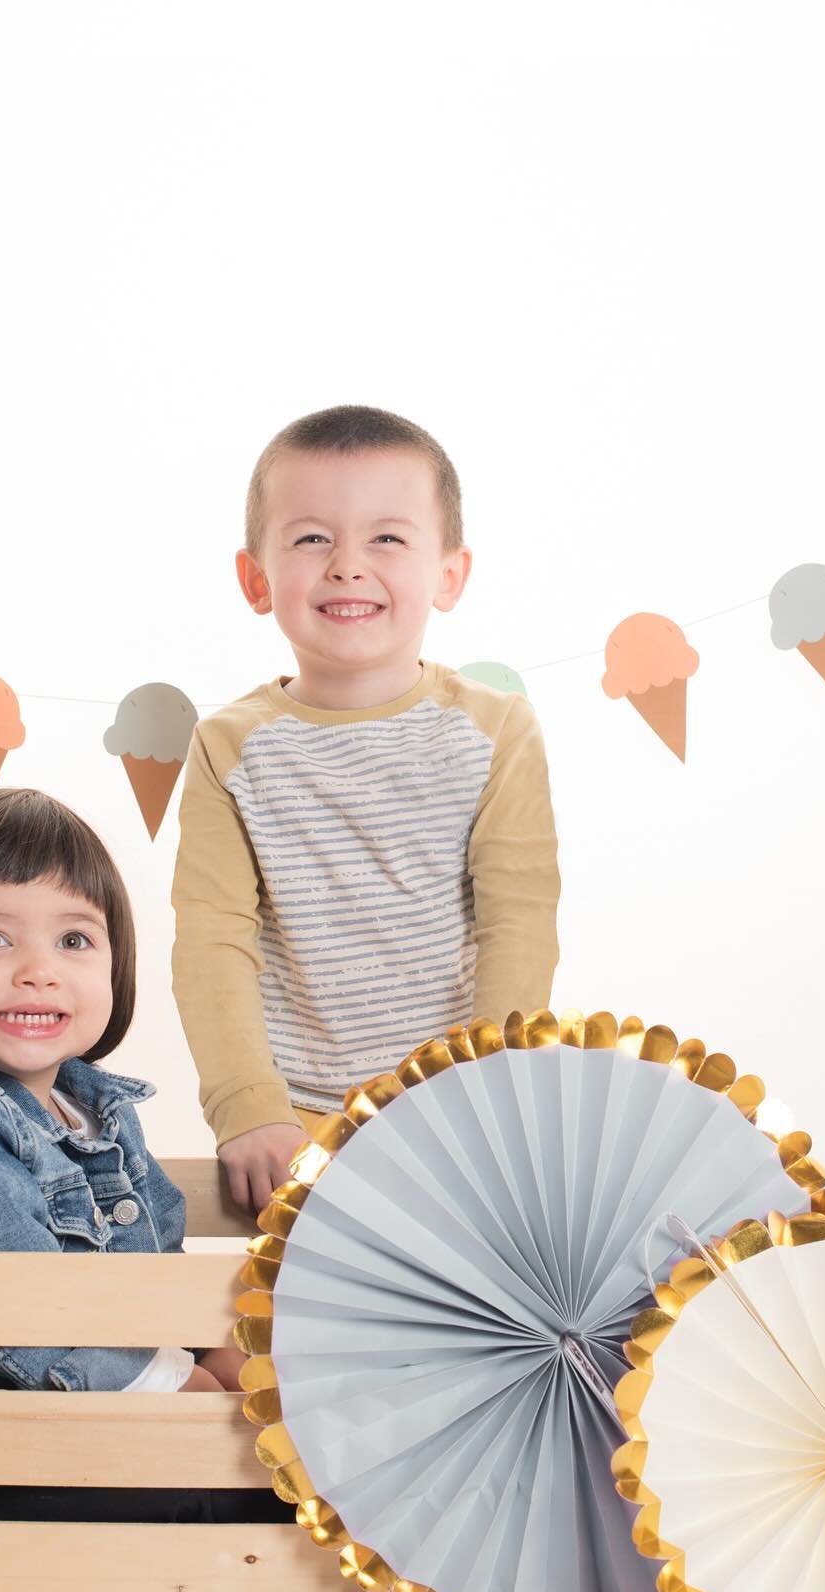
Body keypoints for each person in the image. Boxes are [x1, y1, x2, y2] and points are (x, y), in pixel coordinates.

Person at [0, 787, 273, 1523]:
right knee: (260, 1498)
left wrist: (215, 1350)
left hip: (62, 1409)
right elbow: (22, 1312)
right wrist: (175, 1386)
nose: (40, 969)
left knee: (286, 1436)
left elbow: (153, 1260)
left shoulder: (94, 1106)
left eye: (74, 940)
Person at [172, 404, 561, 1213]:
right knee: (273, 1333)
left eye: (387, 537)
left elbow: (517, 921)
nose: (348, 565)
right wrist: (248, 1107)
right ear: (255, 578)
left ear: (449, 573)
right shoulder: (228, 747)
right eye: (312, 538)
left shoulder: (495, 731)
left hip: (460, 1117)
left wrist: (492, 1093)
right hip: (297, 1124)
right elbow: (211, 939)